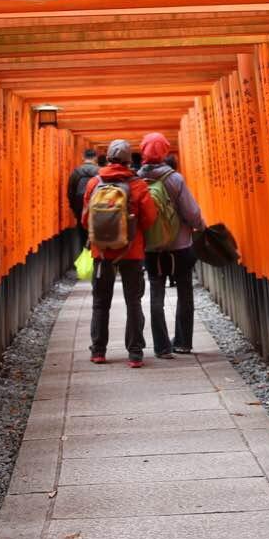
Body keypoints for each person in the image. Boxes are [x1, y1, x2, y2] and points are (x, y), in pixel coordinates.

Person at [81, 139, 157, 368]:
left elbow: (86, 219)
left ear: (107, 158)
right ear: (128, 160)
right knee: (133, 301)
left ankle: (98, 351)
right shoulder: (138, 185)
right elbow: (150, 218)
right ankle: (135, 353)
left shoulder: (95, 183)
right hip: (131, 251)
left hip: (101, 253)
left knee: (100, 302)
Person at [137, 132, 206, 357]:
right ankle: (183, 342)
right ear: (165, 151)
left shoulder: (137, 180)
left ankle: (161, 346)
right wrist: (201, 227)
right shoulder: (174, 179)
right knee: (184, 292)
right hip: (180, 246)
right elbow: (192, 213)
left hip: (152, 248)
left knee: (156, 294)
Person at [66, 146, 100, 247]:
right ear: (95, 158)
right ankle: (96, 258)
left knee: (82, 235)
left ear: (83, 157)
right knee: (98, 235)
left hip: (81, 209)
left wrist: (75, 209)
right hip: (98, 209)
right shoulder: (100, 172)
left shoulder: (76, 172)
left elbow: (70, 193)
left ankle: (84, 258)